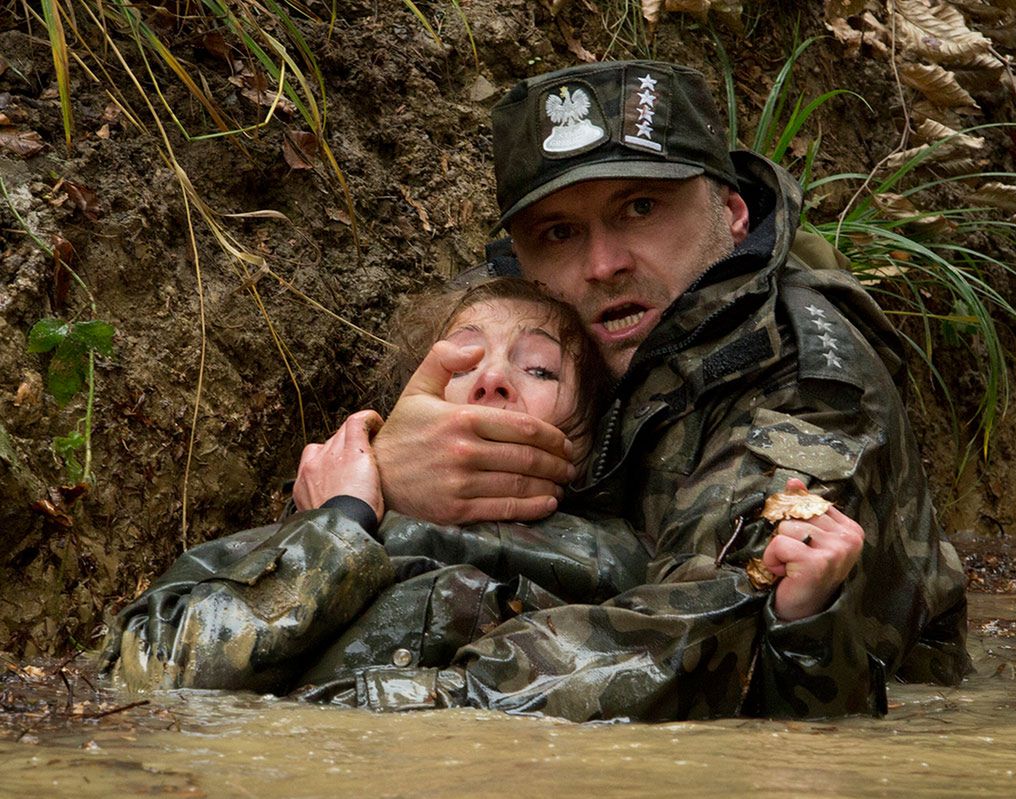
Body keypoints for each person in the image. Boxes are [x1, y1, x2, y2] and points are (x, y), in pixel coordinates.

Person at [362, 60, 971, 719]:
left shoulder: (803, 390)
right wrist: (378, 468)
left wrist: (376, 696)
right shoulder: (525, 317)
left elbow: (705, 645)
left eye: (641, 208)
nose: (603, 264)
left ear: (733, 212)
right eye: (560, 233)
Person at [101, 278, 648, 698]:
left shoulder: (629, 568)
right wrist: (342, 519)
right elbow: (140, 677)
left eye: (540, 369)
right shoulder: (289, 540)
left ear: (589, 440)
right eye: (464, 360)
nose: (492, 378)